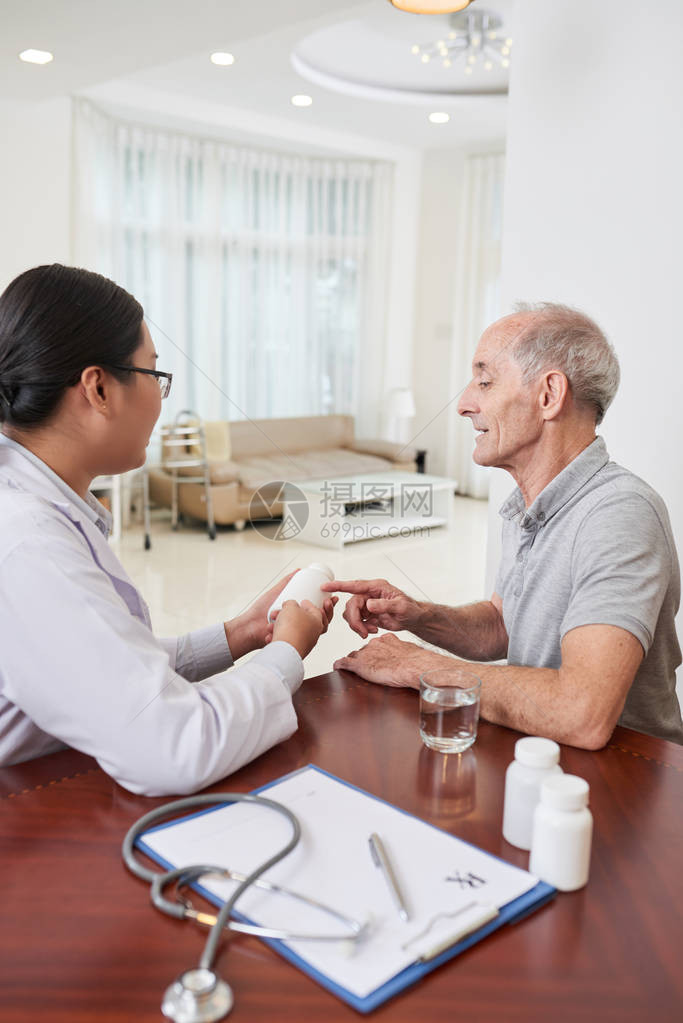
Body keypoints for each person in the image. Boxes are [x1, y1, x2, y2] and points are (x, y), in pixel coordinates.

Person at [0, 263, 336, 795]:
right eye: (155, 376)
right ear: (99, 389)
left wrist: (238, 636)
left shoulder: (35, 507)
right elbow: (174, 746)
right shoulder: (27, 543)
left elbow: (108, 667)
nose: (162, 397)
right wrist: (287, 653)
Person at [324, 303, 683, 748]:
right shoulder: (527, 506)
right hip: (542, 756)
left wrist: (418, 667)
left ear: (549, 395)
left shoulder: (618, 513)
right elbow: (504, 626)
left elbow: (581, 712)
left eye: (485, 381)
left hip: (626, 780)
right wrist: (419, 616)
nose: (463, 404)